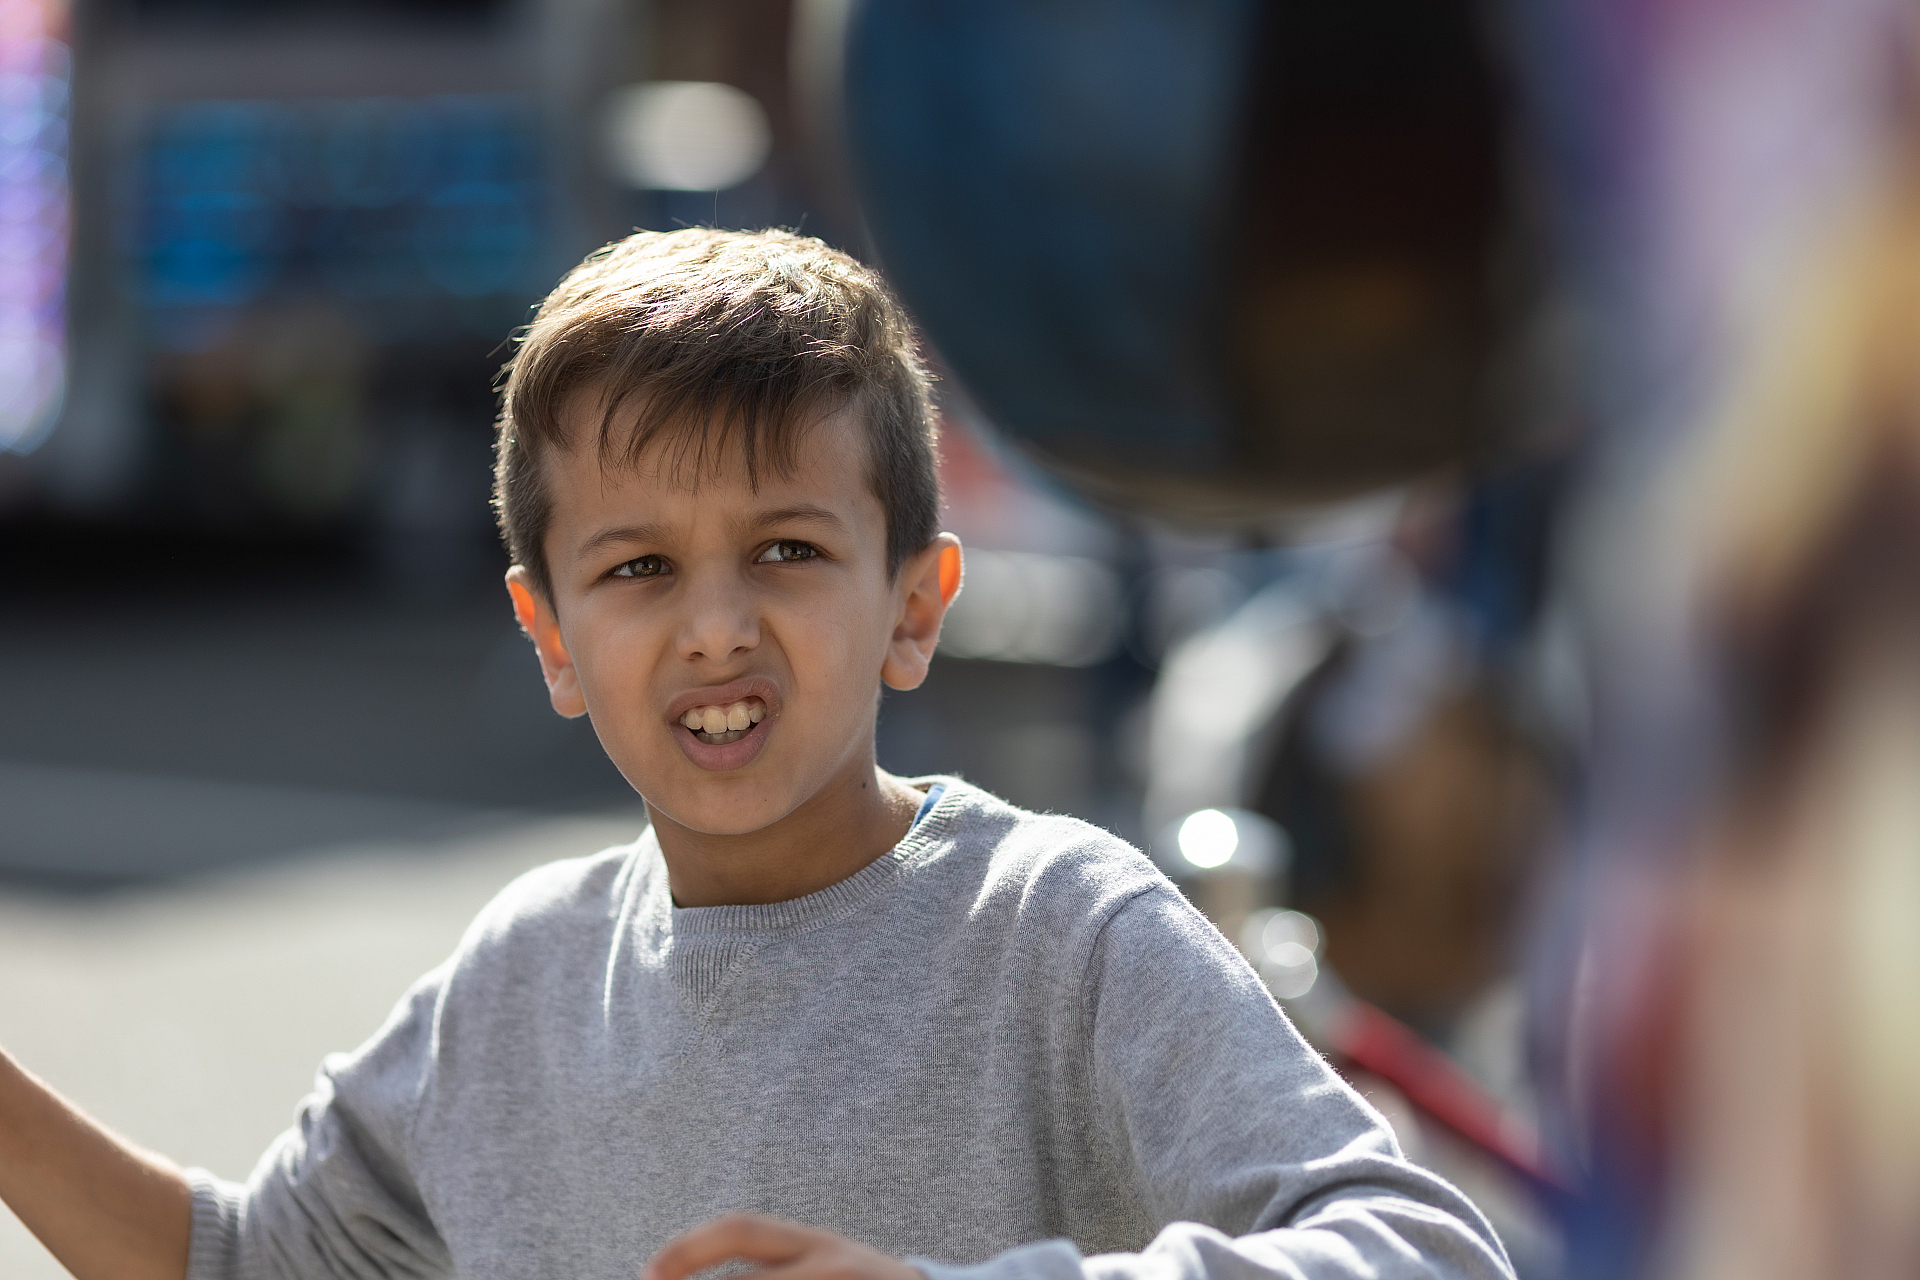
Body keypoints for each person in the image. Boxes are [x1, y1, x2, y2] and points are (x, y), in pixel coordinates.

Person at [0, 229, 1512, 1280]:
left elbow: (1426, 1250)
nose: (716, 627)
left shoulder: (1055, 929)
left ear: (914, 606)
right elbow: (250, 1264)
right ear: (550, 638)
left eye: (787, 548)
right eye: (639, 569)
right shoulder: (516, 988)